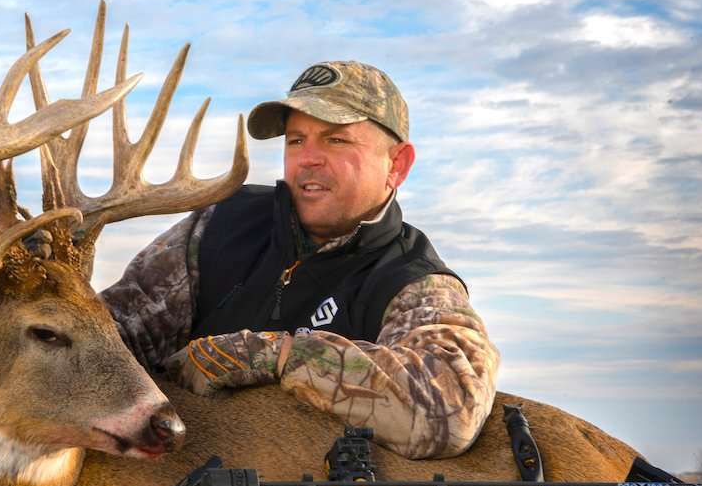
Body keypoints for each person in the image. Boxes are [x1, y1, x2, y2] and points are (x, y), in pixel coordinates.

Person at [101, 61, 499, 459]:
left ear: (397, 165)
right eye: (295, 140)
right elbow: (113, 329)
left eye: (336, 140)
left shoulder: (413, 281)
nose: (308, 158)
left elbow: (449, 409)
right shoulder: (219, 225)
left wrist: (274, 356)